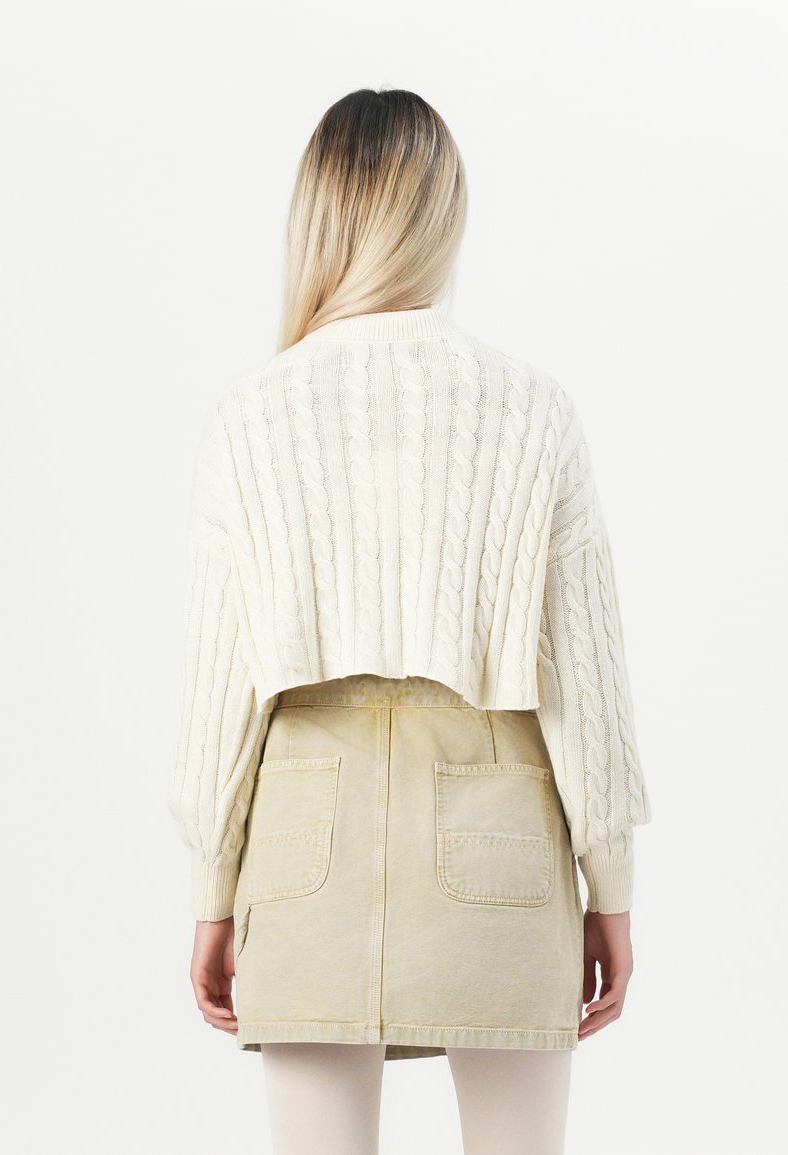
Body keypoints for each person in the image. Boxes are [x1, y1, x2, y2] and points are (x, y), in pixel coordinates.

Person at [168, 87, 653, 1155]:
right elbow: (586, 681)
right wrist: (609, 885)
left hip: (302, 858)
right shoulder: (532, 409)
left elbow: (218, 698)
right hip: (502, 854)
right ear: (444, 216)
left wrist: (214, 888)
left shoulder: (247, 418)